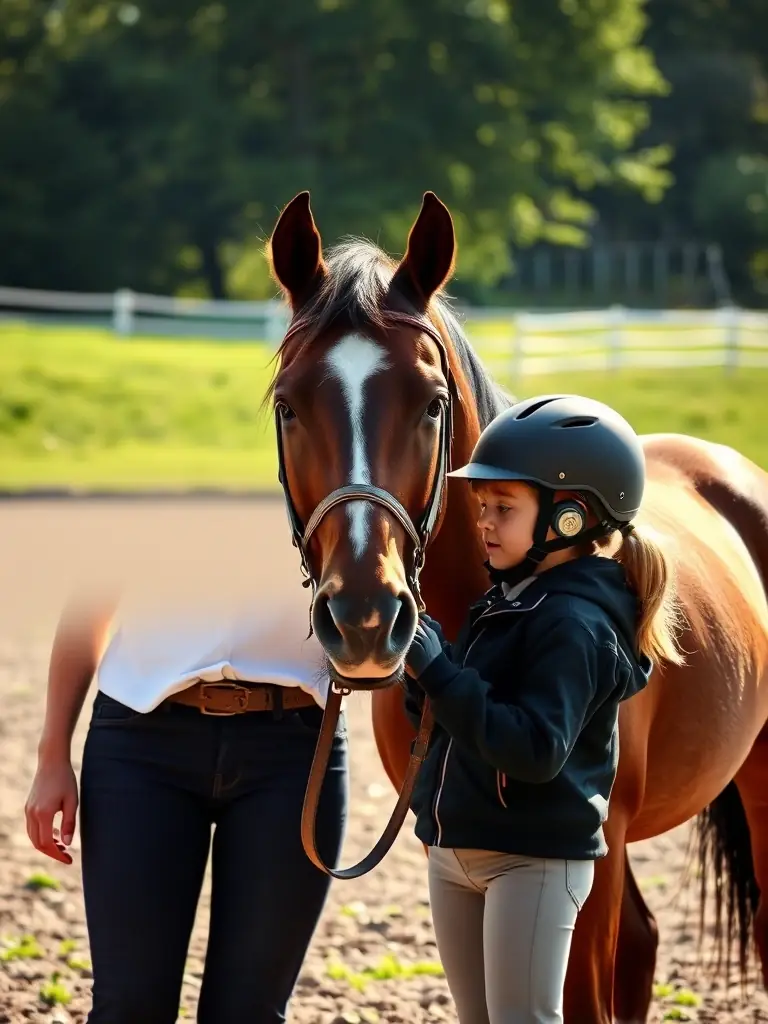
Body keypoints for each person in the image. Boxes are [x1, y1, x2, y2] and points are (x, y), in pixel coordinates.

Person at [402, 394, 684, 1024]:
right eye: (481, 508)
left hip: (529, 858)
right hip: (459, 848)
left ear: (568, 518)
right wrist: (420, 673)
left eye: (504, 508)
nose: (485, 523)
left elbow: (532, 749)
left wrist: (442, 671)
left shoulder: (575, 624)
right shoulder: (506, 601)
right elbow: (457, 721)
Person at [24, 584, 348, 1024]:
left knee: (250, 1013)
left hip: (295, 750)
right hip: (140, 744)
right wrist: (52, 755)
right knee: (130, 1006)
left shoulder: (325, 508)